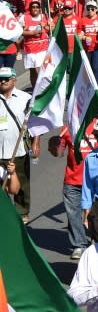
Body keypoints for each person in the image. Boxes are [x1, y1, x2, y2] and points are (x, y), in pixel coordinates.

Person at [49, 124, 97, 260]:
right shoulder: (69, 126)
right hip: (72, 180)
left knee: (96, 213)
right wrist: (54, 145)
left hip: (96, 180)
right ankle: (79, 244)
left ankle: (97, 240)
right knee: (73, 214)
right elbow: (59, 153)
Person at [0, 67, 39, 223]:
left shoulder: (25, 98)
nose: (2, 81)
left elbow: (36, 123)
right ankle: (4, 213)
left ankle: (22, 213)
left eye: (6, 79)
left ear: (14, 80)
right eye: (0, 79)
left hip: (18, 151)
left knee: (20, 184)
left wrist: (36, 142)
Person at [19, 0, 50, 87]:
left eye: (37, 7)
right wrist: (32, 33)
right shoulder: (24, 17)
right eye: (33, 7)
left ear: (40, 8)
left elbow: (52, 28)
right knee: (32, 71)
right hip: (30, 49)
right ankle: (34, 90)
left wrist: (46, 26)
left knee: (41, 70)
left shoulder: (45, 16)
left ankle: (43, 88)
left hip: (42, 48)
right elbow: (19, 31)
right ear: (30, 8)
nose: (35, 8)